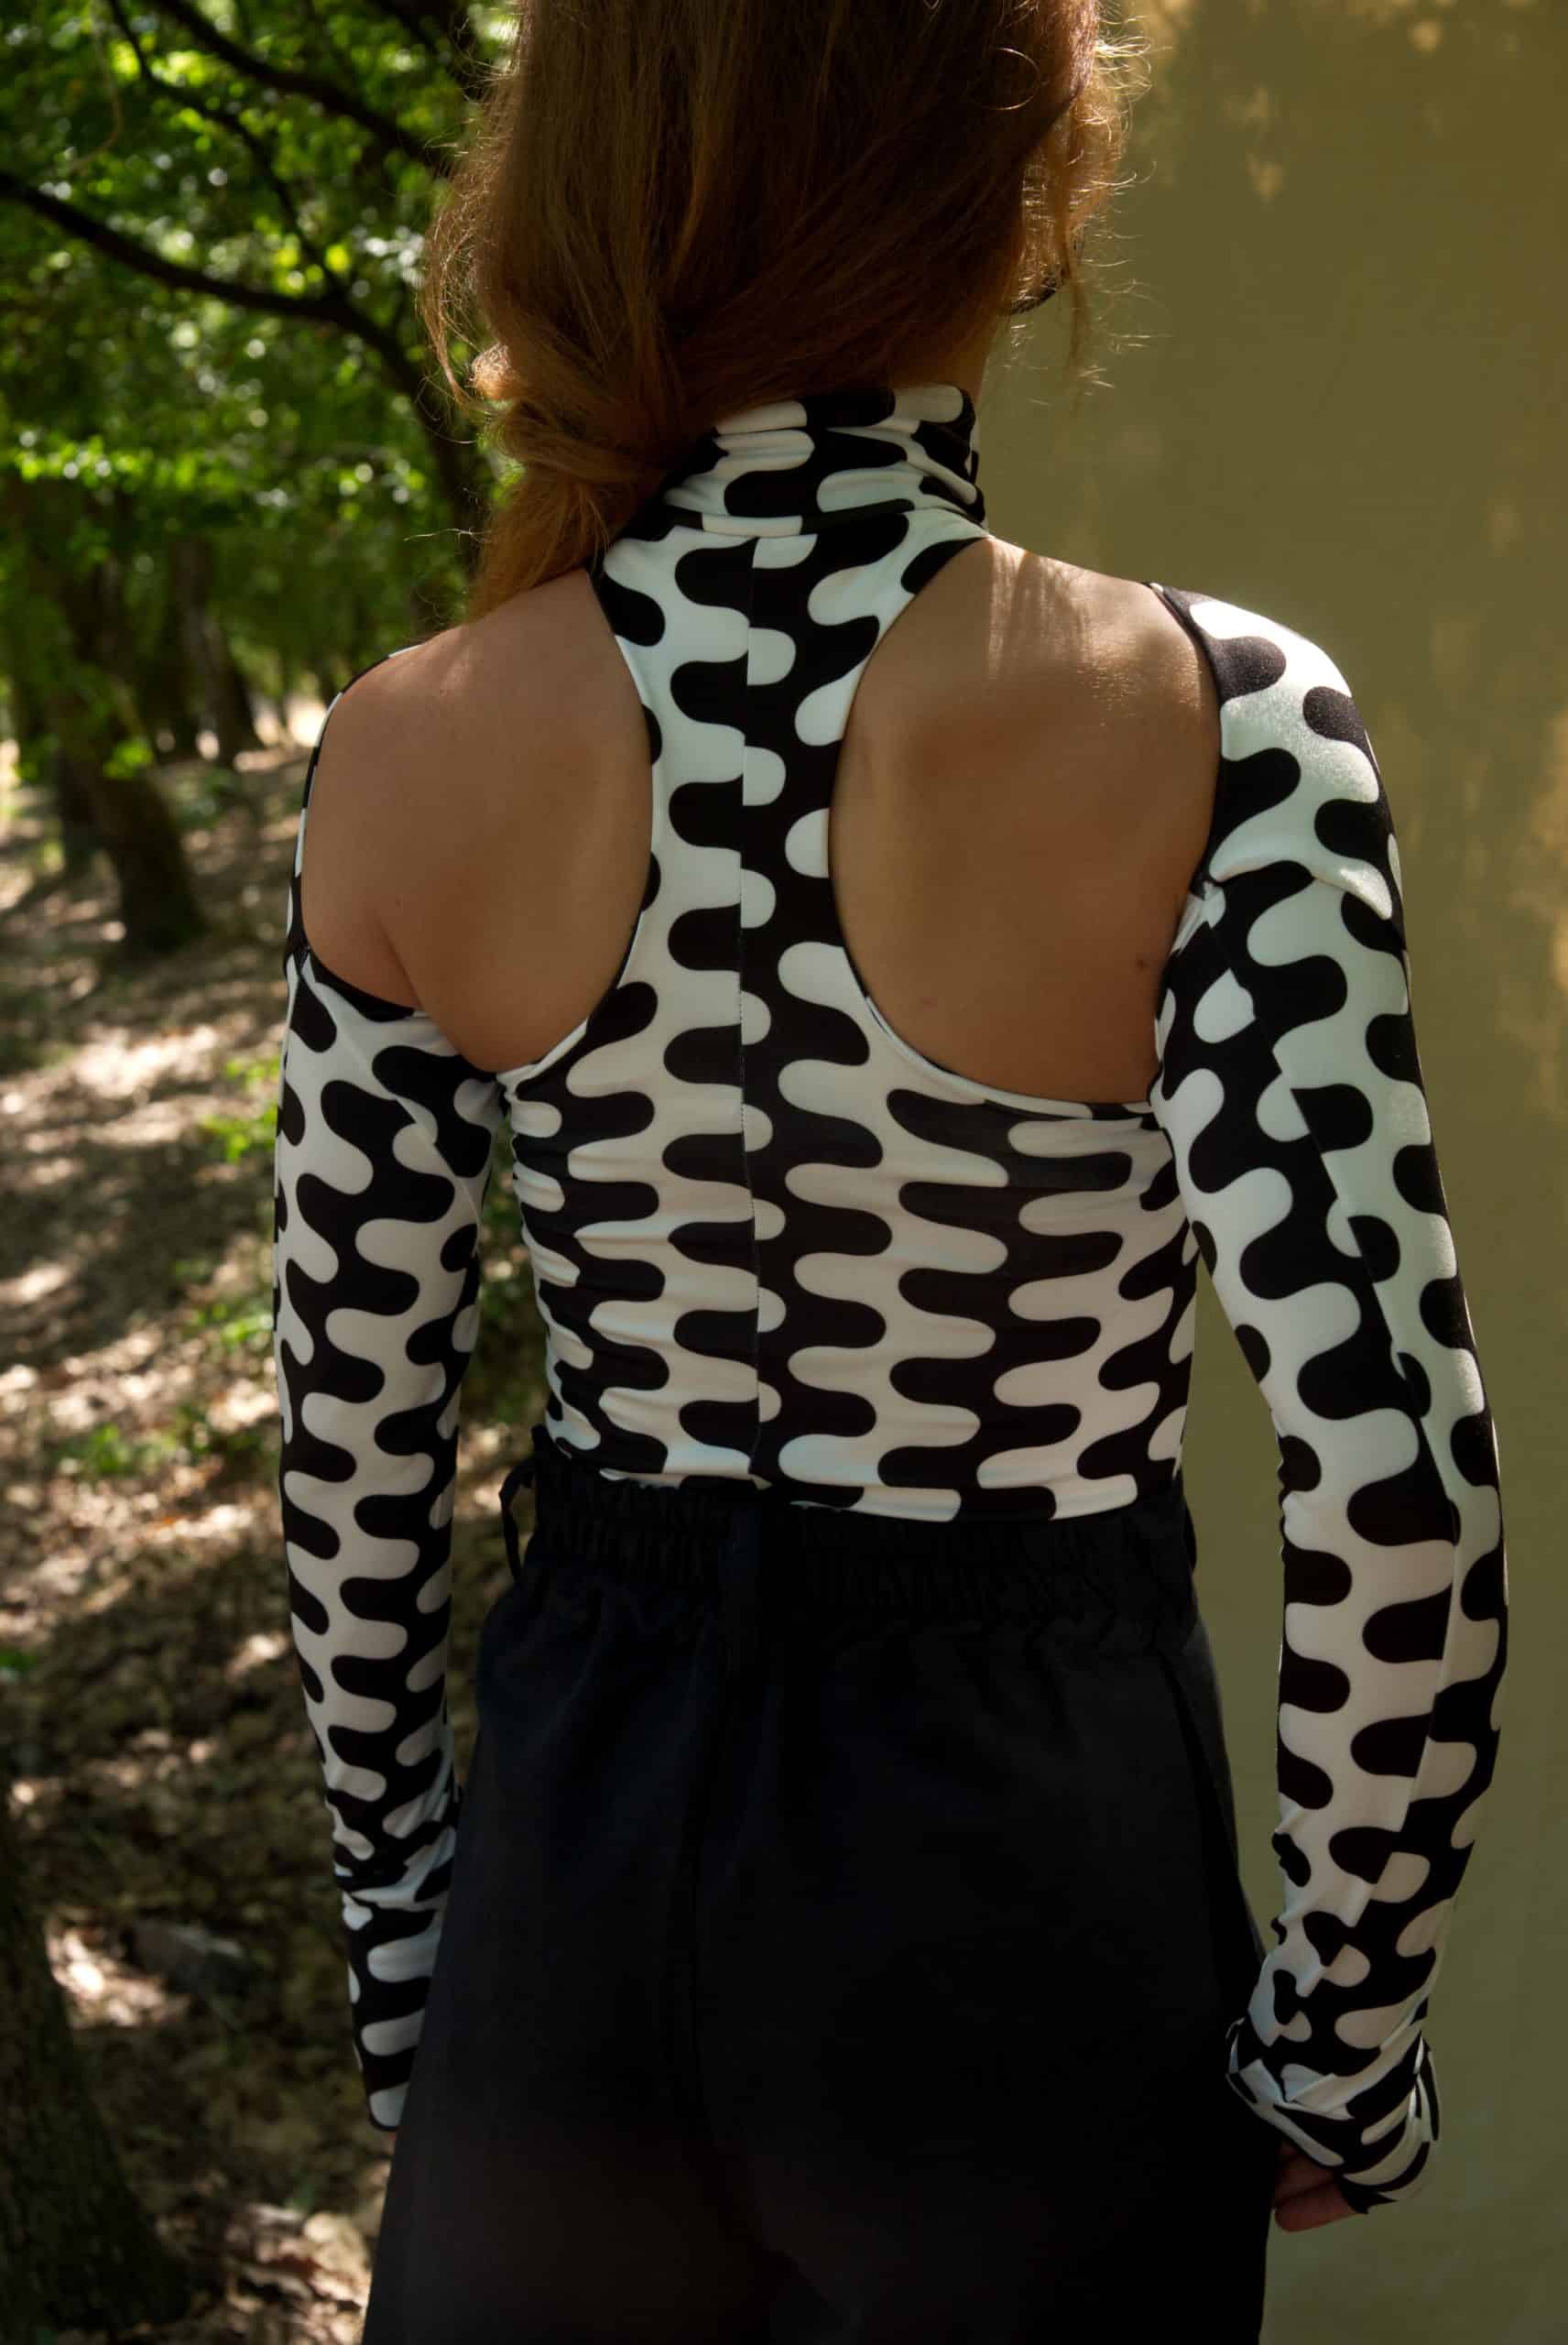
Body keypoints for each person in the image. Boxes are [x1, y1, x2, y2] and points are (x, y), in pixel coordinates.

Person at [269, 4, 1508, 2337]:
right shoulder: (1219, 720)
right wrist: (1342, 2027)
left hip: (579, 1834)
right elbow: (1393, 1473)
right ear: (1036, 195)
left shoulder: (404, 745)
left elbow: (350, 1452)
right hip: (1022, 1859)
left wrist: (421, 1956)